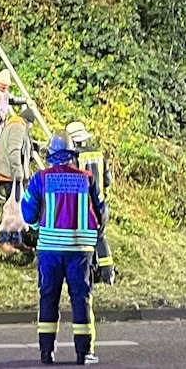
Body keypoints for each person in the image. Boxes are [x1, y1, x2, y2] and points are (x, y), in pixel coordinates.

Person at [22, 134, 105, 365]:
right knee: (81, 299)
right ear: (72, 155)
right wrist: (94, 235)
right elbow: (101, 212)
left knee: (48, 298)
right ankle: (83, 353)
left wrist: (39, 226)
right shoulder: (87, 179)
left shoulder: (41, 179)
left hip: (49, 250)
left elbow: (28, 210)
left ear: (51, 156)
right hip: (80, 251)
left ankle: (46, 353)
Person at [66, 120, 116, 284]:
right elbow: (108, 180)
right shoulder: (99, 155)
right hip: (101, 204)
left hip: (83, 206)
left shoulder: (74, 157)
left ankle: (86, 274)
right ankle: (108, 274)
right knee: (100, 237)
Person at [0, 103, 40, 253]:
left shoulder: (16, 126)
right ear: (28, 122)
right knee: (11, 208)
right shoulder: (18, 128)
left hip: (12, 174)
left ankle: (16, 239)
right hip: (10, 175)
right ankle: (4, 239)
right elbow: (14, 151)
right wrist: (19, 173)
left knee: (17, 209)